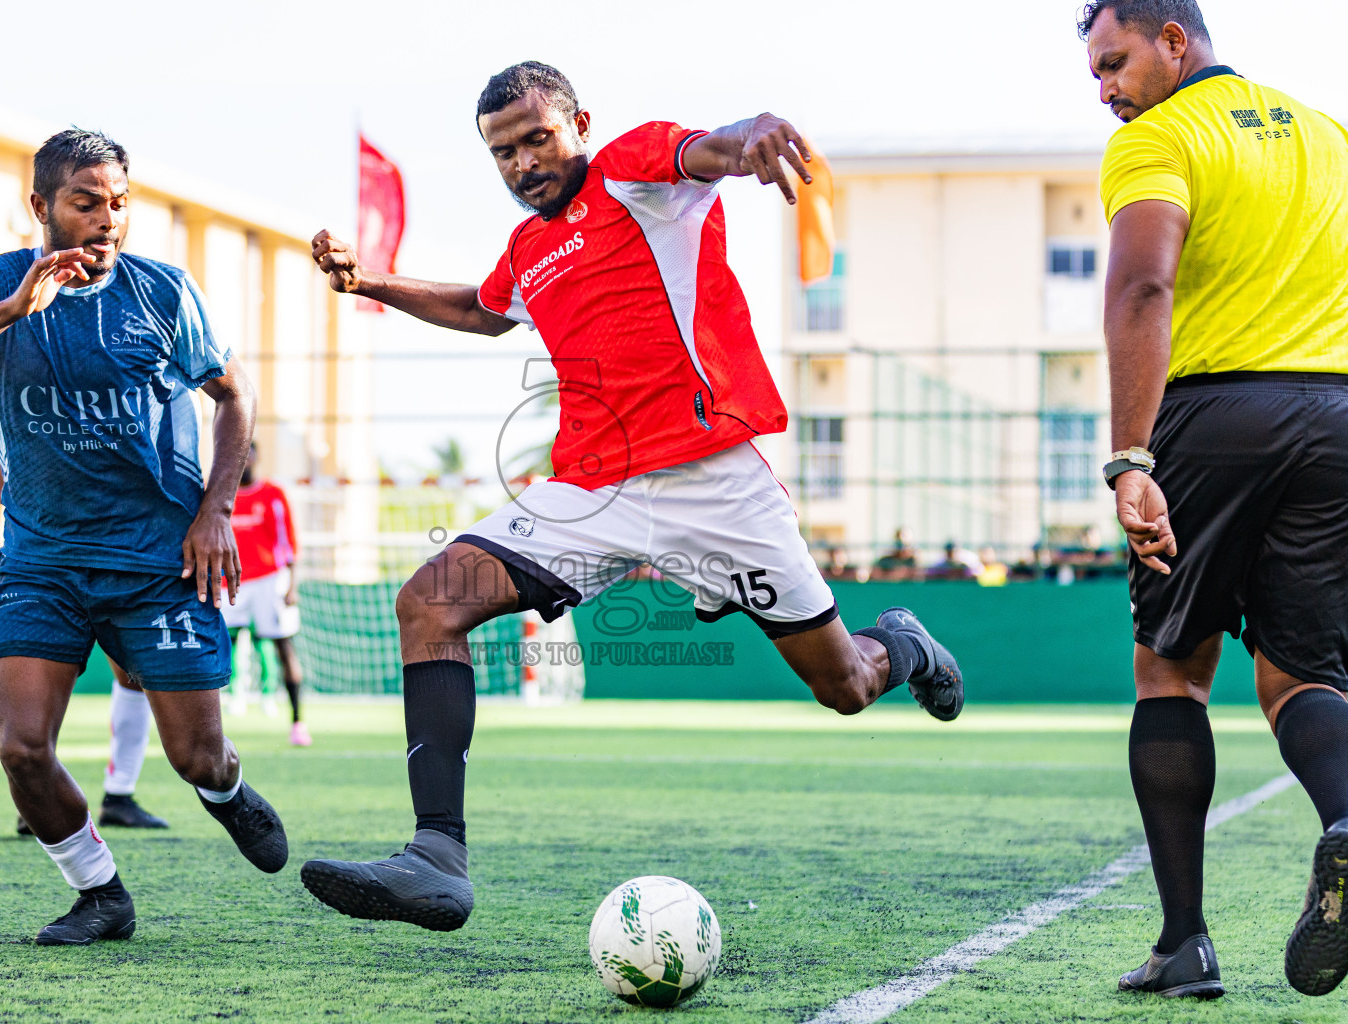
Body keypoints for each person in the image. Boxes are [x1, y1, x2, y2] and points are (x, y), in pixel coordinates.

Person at [301, 62, 964, 933]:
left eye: (537, 138)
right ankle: (436, 856)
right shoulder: (529, 249)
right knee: (428, 603)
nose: (523, 163)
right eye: (503, 152)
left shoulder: (634, 168)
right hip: (590, 485)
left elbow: (712, 151)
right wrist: (370, 283)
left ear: (578, 122)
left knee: (843, 684)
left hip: (714, 479)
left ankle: (903, 645)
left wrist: (756, 130)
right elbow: (483, 309)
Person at [0, 128, 287, 946]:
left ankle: (225, 792)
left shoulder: (164, 292)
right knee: (21, 748)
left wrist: (215, 511)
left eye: (120, 204)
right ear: (40, 206)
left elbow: (234, 397)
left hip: (156, 564)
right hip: (44, 563)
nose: (109, 219)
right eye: (87, 202)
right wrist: (9, 312)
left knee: (196, 757)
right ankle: (99, 892)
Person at [1084, 0, 1348, 998]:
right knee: (1300, 674)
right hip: (1336, 414)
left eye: (1115, 62)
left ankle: (1185, 941)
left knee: (1171, 673)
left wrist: (1130, 457)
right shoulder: (1329, 134)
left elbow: (1143, 287)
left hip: (1213, 418)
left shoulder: (1161, 138)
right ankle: (1346, 822)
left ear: (1175, 42)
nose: (1107, 88)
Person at [0, 448, 170, 832]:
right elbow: (1, 453)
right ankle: (40, 796)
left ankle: (119, 794)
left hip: (123, 552)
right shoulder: (32, 398)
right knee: (40, 673)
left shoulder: (142, 396)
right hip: (45, 558)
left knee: (134, 676)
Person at [222, 441, 311, 746]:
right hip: (230, 582)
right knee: (224, 646)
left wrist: (292, 584)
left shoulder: (273, 494)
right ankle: (229, 706)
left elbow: (290, 542)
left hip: (269, 580)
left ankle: (297, 722)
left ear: (257, 457)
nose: (243, 459)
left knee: (282, 647)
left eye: (248, 453)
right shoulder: (219, 494)